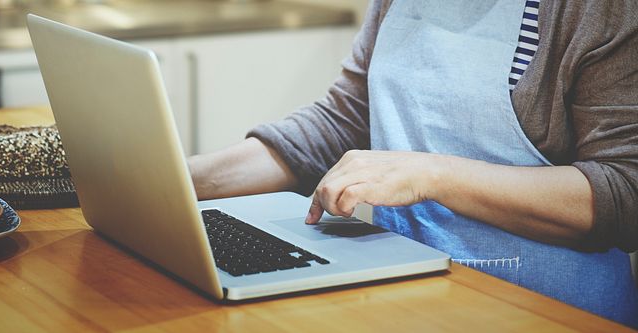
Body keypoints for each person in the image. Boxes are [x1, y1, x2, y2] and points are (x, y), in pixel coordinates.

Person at [187, 0, 638, 327]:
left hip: (542, 310)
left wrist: (434, 175)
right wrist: (185, 180)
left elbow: (625, 191)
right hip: (407, 289)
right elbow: (345, 121)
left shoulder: (600, 10)